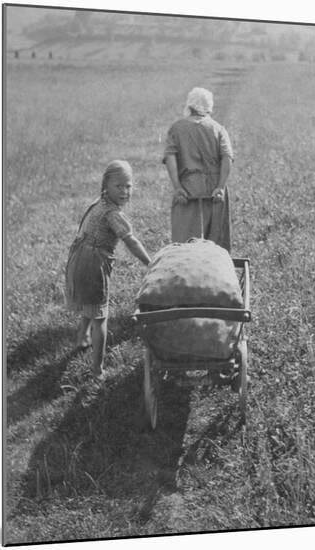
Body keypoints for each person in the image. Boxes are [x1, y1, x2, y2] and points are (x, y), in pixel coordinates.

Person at [65, 160, 151, 377]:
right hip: (93, 264)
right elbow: (130, 241)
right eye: (118, 186)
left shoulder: (99, 203)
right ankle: (97, 369)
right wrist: (150, 263)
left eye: (128, 186)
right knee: (101, 317)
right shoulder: (112, 214)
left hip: (79, 258)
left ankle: (81, 338)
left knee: (89, 303)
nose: (124, 191)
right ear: (106, 185)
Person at [163, 87, 234, 251]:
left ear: (190, 106)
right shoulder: (218, 129)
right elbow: (227, 157)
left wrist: (177, 187)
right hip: (214, 193)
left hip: (187, 193)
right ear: (209, 107)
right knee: (216, 248)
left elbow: (170, 158)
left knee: (184, 247)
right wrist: (221, 187)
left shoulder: (177, 128)